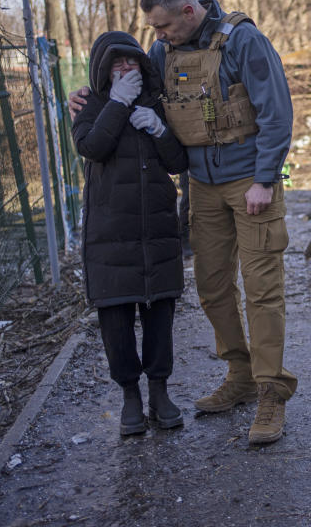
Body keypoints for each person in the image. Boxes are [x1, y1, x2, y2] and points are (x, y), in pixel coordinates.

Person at [69, 0, 296, 445]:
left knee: (261, 291)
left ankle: (272, 391)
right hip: (201, 187)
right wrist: (84, 97)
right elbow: (133, 88)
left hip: (250, 183)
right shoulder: (162, 53)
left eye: (164, 26)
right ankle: (240, 375)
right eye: (154, 29)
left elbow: (277, 112)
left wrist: (265, 179)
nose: (158, 35)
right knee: (212, 289)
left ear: (188, 12)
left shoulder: (243, 41)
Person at [72, 31, 188, 436]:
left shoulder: (158, 103)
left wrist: (159, 129)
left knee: (160, 316)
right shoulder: (90, 105)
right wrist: (119, 104)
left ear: (142, 65)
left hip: (156, 231)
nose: (126, 70)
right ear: (104, 69)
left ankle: (159, 391)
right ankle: (130, 397)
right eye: (117, 64)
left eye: (132, 63)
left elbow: (178, 161)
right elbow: (91, 146)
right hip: (111, 235)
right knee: (116, 319)